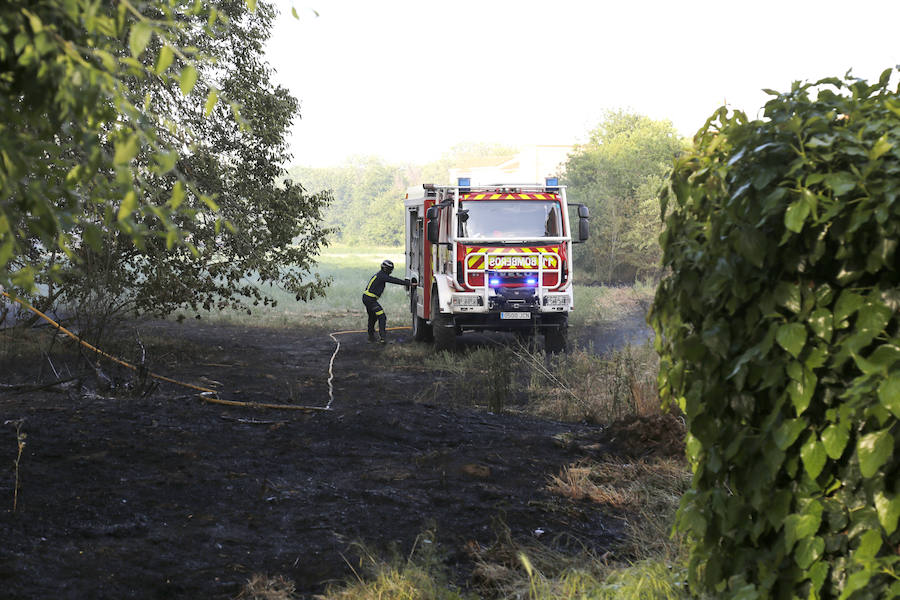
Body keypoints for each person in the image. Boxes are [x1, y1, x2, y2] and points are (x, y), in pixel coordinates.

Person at [362, 260, 410, 344]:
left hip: (367, 298)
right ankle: (382, 338)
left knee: (373, 317)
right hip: (370, 300)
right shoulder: (382, 276)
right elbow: (393, 280)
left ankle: (371, 337)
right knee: (382, 317)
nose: (391, 272)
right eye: (390, 269)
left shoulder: (381, 274)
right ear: (385, 269)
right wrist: (406, 283)